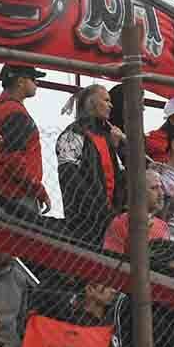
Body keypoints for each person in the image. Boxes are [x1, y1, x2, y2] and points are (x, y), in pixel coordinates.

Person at [56, 83, 124, 247]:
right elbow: (69, 176)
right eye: (106, 100)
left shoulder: (107, 138)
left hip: (108, 218)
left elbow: (120, 176)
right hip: (84, 221)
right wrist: (96, 208)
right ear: (92, 103)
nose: (111, 105)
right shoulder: (74, 134)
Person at [0, 63, 49, 219]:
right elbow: (14, 160)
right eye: (33, 79)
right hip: (18, 192)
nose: (36, 83)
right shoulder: (15, 111)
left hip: (1, 187)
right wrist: (39, 191)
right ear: (20, 81)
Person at [103, 169, 170, 253]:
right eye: (154, 188)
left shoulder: (163, 226)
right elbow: (111, 258)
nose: (161, 193)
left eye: (161, 187)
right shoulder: (121, 222)